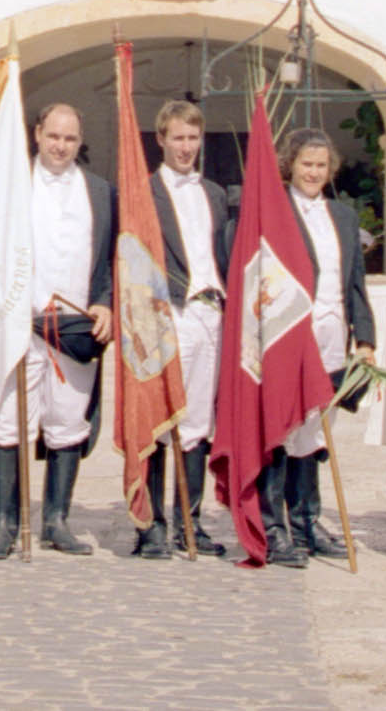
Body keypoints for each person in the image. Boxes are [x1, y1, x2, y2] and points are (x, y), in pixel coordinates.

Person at [0, 102, 117, 560]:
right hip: (20, 325)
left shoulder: (98, 191)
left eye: (70, 139)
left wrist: (105, 303)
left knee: (67, 422)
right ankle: (3, 523)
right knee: (9, 422)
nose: (61, 146)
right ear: (38, 134)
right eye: (53, 136)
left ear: (80, 142)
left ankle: (57, 520)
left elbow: (109, 258)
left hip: (75, 329)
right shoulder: (11, 186)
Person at [275, 129, 376, 565]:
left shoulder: (343, 216)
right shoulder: (277, 211)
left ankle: (308, 520)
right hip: (294, 336)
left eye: (320, 165)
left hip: (335, 336)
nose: (313, 172)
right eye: (306, 164)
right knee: (291, 430)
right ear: (291, 166)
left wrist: (366, 339)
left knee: (318, 433)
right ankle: (281, 526)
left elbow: (355, 280)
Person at [142, 100, 233, 558]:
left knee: (198, 422)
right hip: (168, 312)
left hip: (209, 311)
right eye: (177, 138)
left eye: (193, 139)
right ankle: (153, 524)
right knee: (161, 419)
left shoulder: (214, 193)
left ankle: (189, 522)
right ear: (161, 139)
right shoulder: (143, 193)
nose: (185, 147)